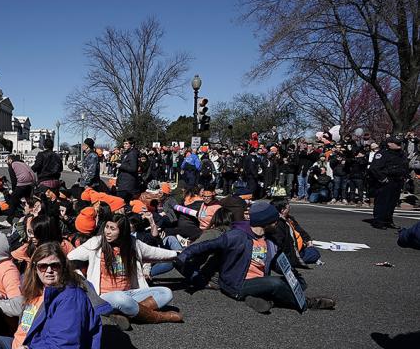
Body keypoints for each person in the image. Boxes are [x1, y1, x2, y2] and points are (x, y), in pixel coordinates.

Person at [176, 201, 336, 314]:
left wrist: (293, 275)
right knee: (276, 284)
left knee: (297, 282)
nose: (277, 223)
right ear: (265, 221)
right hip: (237, 284)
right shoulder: (237, 236)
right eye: (274, 220)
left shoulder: (270, 240)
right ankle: (308, 303)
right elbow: (206, 245)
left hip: (258, 280)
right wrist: (184, 255)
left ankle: (258, 298)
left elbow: (277, 262)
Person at [68, 213, 182, 324]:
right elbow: (70, 258)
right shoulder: (96, 242)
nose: (107, 232)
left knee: (166, 293)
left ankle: (124, 313)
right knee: (120, 298)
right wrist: (82, 280)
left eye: (112, 229)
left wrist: (178, 254)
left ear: (122, 231)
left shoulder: (133, 244)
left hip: (130, 293)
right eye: (107, 227)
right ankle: (160, 317)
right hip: (105, 297)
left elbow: (155, 252)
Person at [368, 137, 409, 229]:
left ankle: (388, 220)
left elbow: (405, 167)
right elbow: (374, 168)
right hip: (387, 180)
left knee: (392, 202)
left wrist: (405, 177)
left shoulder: (402, 154)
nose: (399, 145)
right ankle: (378, 221)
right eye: (396, 143)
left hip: (398, 180)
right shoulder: (382, 154)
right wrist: (383, 179)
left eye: (399, 143)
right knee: (383, 202)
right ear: (389, 144)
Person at [1, 154, 35, 227]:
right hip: (31, 182)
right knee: (28, 201)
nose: (6, 162)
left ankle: (9, 220)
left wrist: (13, 191)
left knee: (13, 199)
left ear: (10, 160)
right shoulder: (22, 163)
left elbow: (14, 180)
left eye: (6, 160)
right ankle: (32, 217)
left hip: (22, 183)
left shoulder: (12, 165)